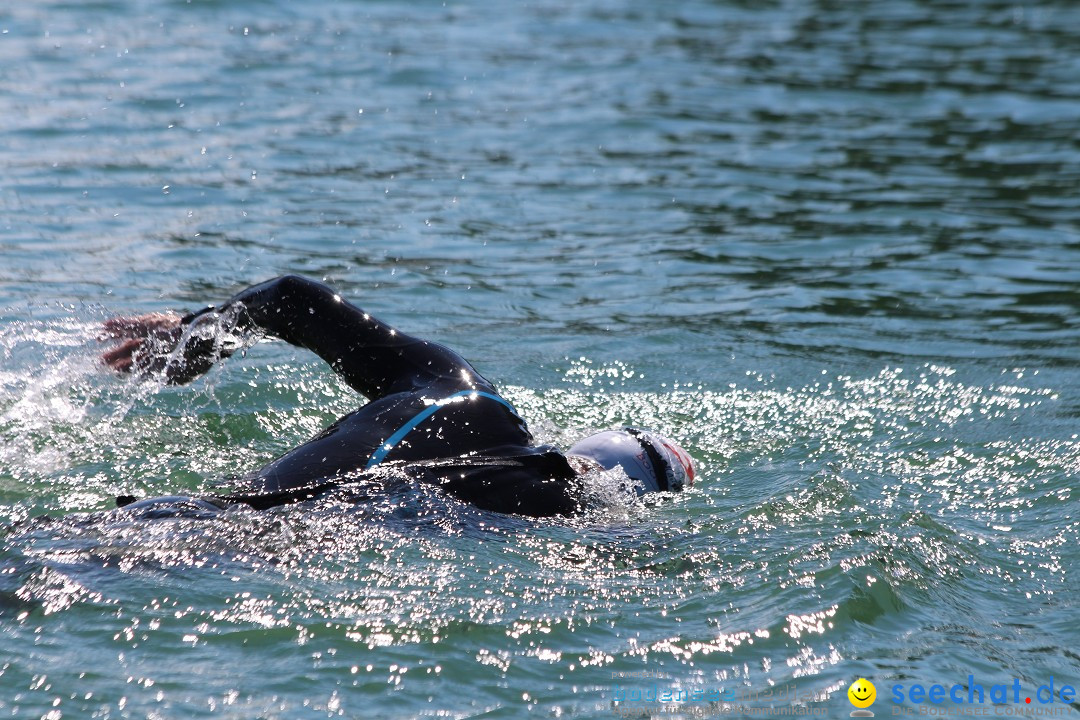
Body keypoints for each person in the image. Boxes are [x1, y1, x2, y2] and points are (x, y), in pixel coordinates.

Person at [100, 275, 695, 518]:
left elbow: (293, 296)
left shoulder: (457, 389)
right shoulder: (546, 506)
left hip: (170, 513)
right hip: (248, 552)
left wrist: (193, 338)